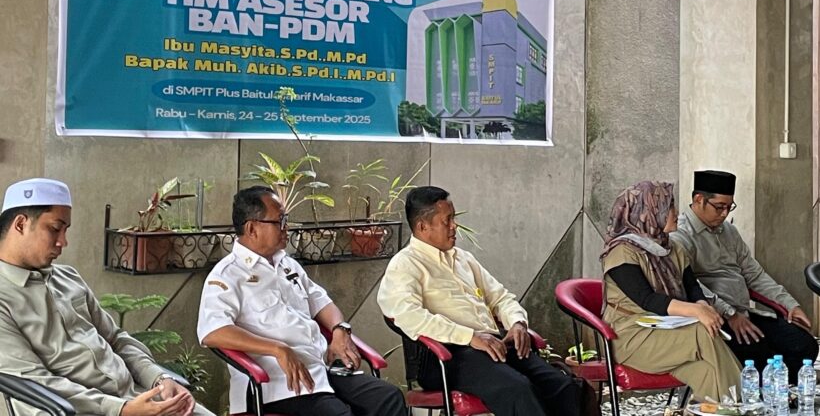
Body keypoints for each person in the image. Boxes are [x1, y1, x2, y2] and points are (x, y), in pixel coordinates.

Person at [0, 178, 212, 416]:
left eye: (66, 230)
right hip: (82, 411)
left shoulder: (68, 278)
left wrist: (159, 378)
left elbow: (115, 339)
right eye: (55, 229)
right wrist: (122, 409)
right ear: (21, 224)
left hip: (136, 396)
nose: (63, 242)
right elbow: (34, 379)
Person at [197, 186, 405, 416]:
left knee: (389, 398)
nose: (286, 227)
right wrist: (277, 349)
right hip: (279, 383)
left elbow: (322, 303)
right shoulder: (227, 275)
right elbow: (213, 331)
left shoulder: (288, 265)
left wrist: (339, 329)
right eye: (280, 221)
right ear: (252, 228)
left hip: (322, 368)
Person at [377, 186, 580, 416]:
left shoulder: (464, 259)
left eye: (453, 218)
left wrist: (517, 323)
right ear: (423, 227)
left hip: (493, 345)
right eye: (447, 220)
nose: (455, 226)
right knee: (518, 390)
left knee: (563, 386)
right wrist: (470, 336)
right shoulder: (405, 264)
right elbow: (408, 315)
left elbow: (500, 297)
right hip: (446, 355)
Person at [673, 170, 817, 384]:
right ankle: (762, 398)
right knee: (760, 357)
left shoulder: (729, 231)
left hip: (744, 313)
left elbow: (754, 274)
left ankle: (787, 397)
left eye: (729, 207)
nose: (724, 214)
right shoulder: (680, 235)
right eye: (719, 207)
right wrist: (730, 314)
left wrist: (790, 304)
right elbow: (691, 286)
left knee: (804, 345)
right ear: (699, 200)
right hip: (714, 318)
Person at [601, 181, 741, 401]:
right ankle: (745, 403)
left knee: (707, 372)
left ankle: (719, 408)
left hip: (670, 330)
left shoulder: (671, 247)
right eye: (669, 207)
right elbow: (647, 299)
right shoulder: (621, 252)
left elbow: (691, 286)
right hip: (630, 336)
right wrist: (697, 312)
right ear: (648, 212)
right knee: (703, 331)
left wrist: (702, 305)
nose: (676, 213)